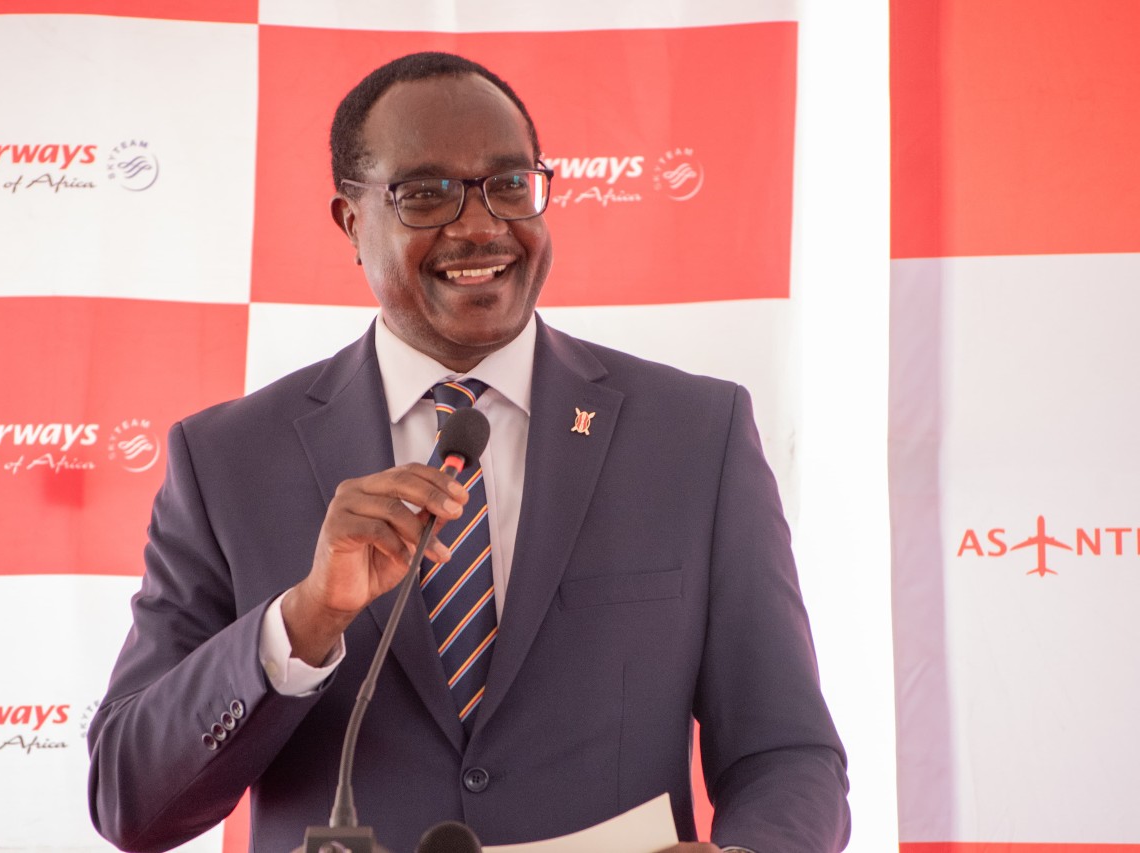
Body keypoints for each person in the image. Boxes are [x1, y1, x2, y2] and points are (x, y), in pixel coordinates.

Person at [87, 52, 849, 853]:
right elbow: (130, 800)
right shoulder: (227, 462)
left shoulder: (695, 434)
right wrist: (305, 620)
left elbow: (787, 752)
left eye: (509, 185)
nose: (480, 225)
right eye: (426, 194)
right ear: (351, 223)